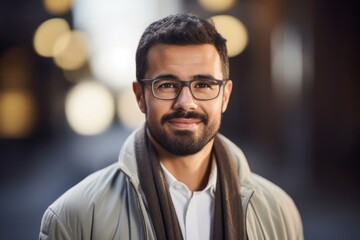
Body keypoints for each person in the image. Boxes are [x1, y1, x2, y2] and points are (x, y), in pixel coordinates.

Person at [39, 13, 303, 240]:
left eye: (203, 85)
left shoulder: (279, 212)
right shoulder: (73, 218)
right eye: (167, 85)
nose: (185, 102)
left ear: (225, 96)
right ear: (140, 96)